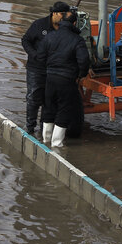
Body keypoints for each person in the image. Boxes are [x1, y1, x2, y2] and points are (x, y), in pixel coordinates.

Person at [39, 9, 90, 148]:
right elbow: (84, 60)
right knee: (64, 110)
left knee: (48, 109)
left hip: (49, 79)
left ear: (61, 22)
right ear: (74, 23)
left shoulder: (49, 37)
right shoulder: (77, 40)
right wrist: (81, 75)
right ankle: (57, 146)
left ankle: (45, 142)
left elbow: (40, 56)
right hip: (66, 80)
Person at [21, 2, 71, 136]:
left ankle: (45, 129)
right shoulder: (39, 25)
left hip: (54, 71)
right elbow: (25, 40)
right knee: (33, 98)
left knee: (49, 100)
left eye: (66, 15)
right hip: (36, 69)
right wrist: (34, 55)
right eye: (62, 14)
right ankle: (30, 128)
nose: (63, 17)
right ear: (54, 13)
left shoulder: (65, 29)